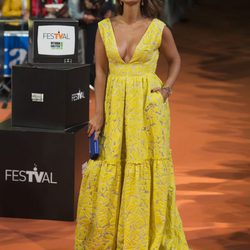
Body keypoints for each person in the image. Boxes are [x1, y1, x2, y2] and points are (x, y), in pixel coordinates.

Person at [75, 0, 190, 248]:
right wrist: (98, 113)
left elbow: (175, 60)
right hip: (115, 108)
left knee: (144, 166)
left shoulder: (158, 28)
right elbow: (101, 72)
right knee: (111, 164)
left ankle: (143, 238)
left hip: (147, 111)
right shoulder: (104, 28)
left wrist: (165, 91)